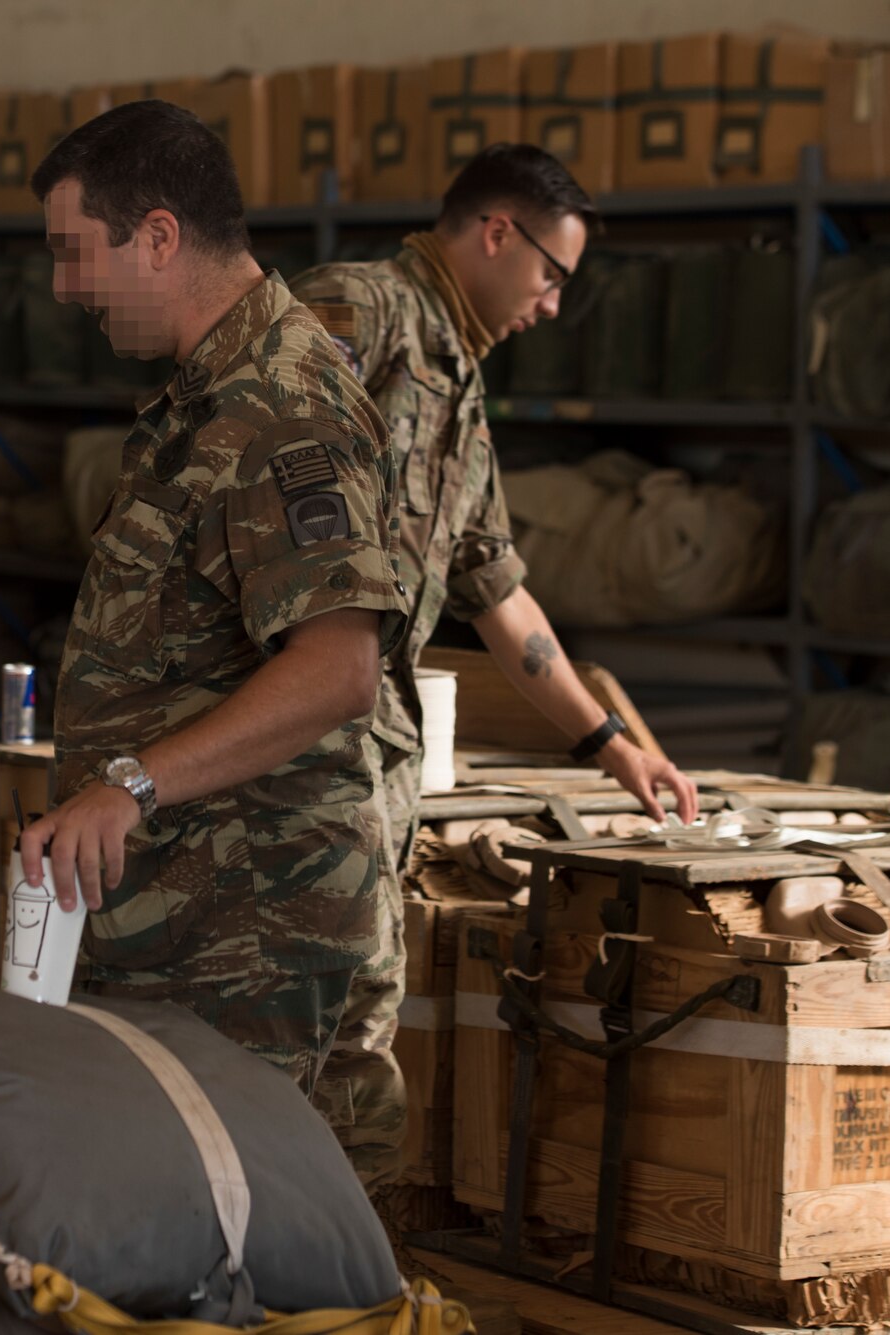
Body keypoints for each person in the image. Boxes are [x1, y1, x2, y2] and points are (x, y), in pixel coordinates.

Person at [290, 144, 699, 1189]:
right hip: (285, 748)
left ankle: (325, 1268)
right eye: (550, 275)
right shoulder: (359, 309)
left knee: (348, 1024)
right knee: (299, 1026)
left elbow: (492, 586)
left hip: (357, 745)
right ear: (494, 234)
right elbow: (239, 472)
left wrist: (611, 746)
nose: (551, 304)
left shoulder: (456, 380)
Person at [16, 101, 411, 1094]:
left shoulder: (277, 404)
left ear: (156, 235)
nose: (64, 289)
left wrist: (132, 784)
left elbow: (336, 669)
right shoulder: (204, 394)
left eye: (74, 254)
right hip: (186, 918)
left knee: (255, 1225)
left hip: (254, 933)